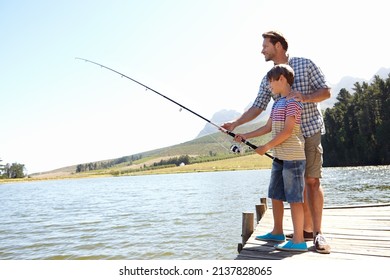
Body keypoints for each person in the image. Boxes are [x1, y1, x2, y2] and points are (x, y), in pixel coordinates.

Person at [222, 31, 331, 254]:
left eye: (265, 46)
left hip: (310, 130)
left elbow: (326, 92)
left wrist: (304, 97)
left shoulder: (305, 64)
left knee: (311, 181)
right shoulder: (268, 78)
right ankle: (301, 231)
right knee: (292, 187)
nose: (262, 50)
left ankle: (317, 233)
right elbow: (258, 107)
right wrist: (235, 124)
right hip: (286, 142)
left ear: (278, 45)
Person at [237, 64, 307, 251]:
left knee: (294, 198)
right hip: (279, 157)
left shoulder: (293, 102)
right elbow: (267, 128)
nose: (269, 87)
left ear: (282, 79)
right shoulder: (277, 103)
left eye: (271, 83)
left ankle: (299, 240)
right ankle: (277, 231)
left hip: (293, 157)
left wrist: (265, 147)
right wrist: (246, 137)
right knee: (275, 194)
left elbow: (288, 131)